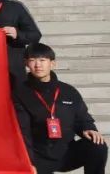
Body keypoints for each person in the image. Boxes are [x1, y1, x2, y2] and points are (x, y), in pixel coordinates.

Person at [14, 43, 107, 174]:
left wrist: (89, 128)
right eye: (33, 60)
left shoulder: (68, 91)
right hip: (38, 156)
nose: (38, 65)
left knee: (98, 145)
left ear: (52, 64)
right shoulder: (20, 93)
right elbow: (23, 133)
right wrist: (29, 162)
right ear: (26, 63)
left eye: (42, 60)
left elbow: (82, 118)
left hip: (66, 151)